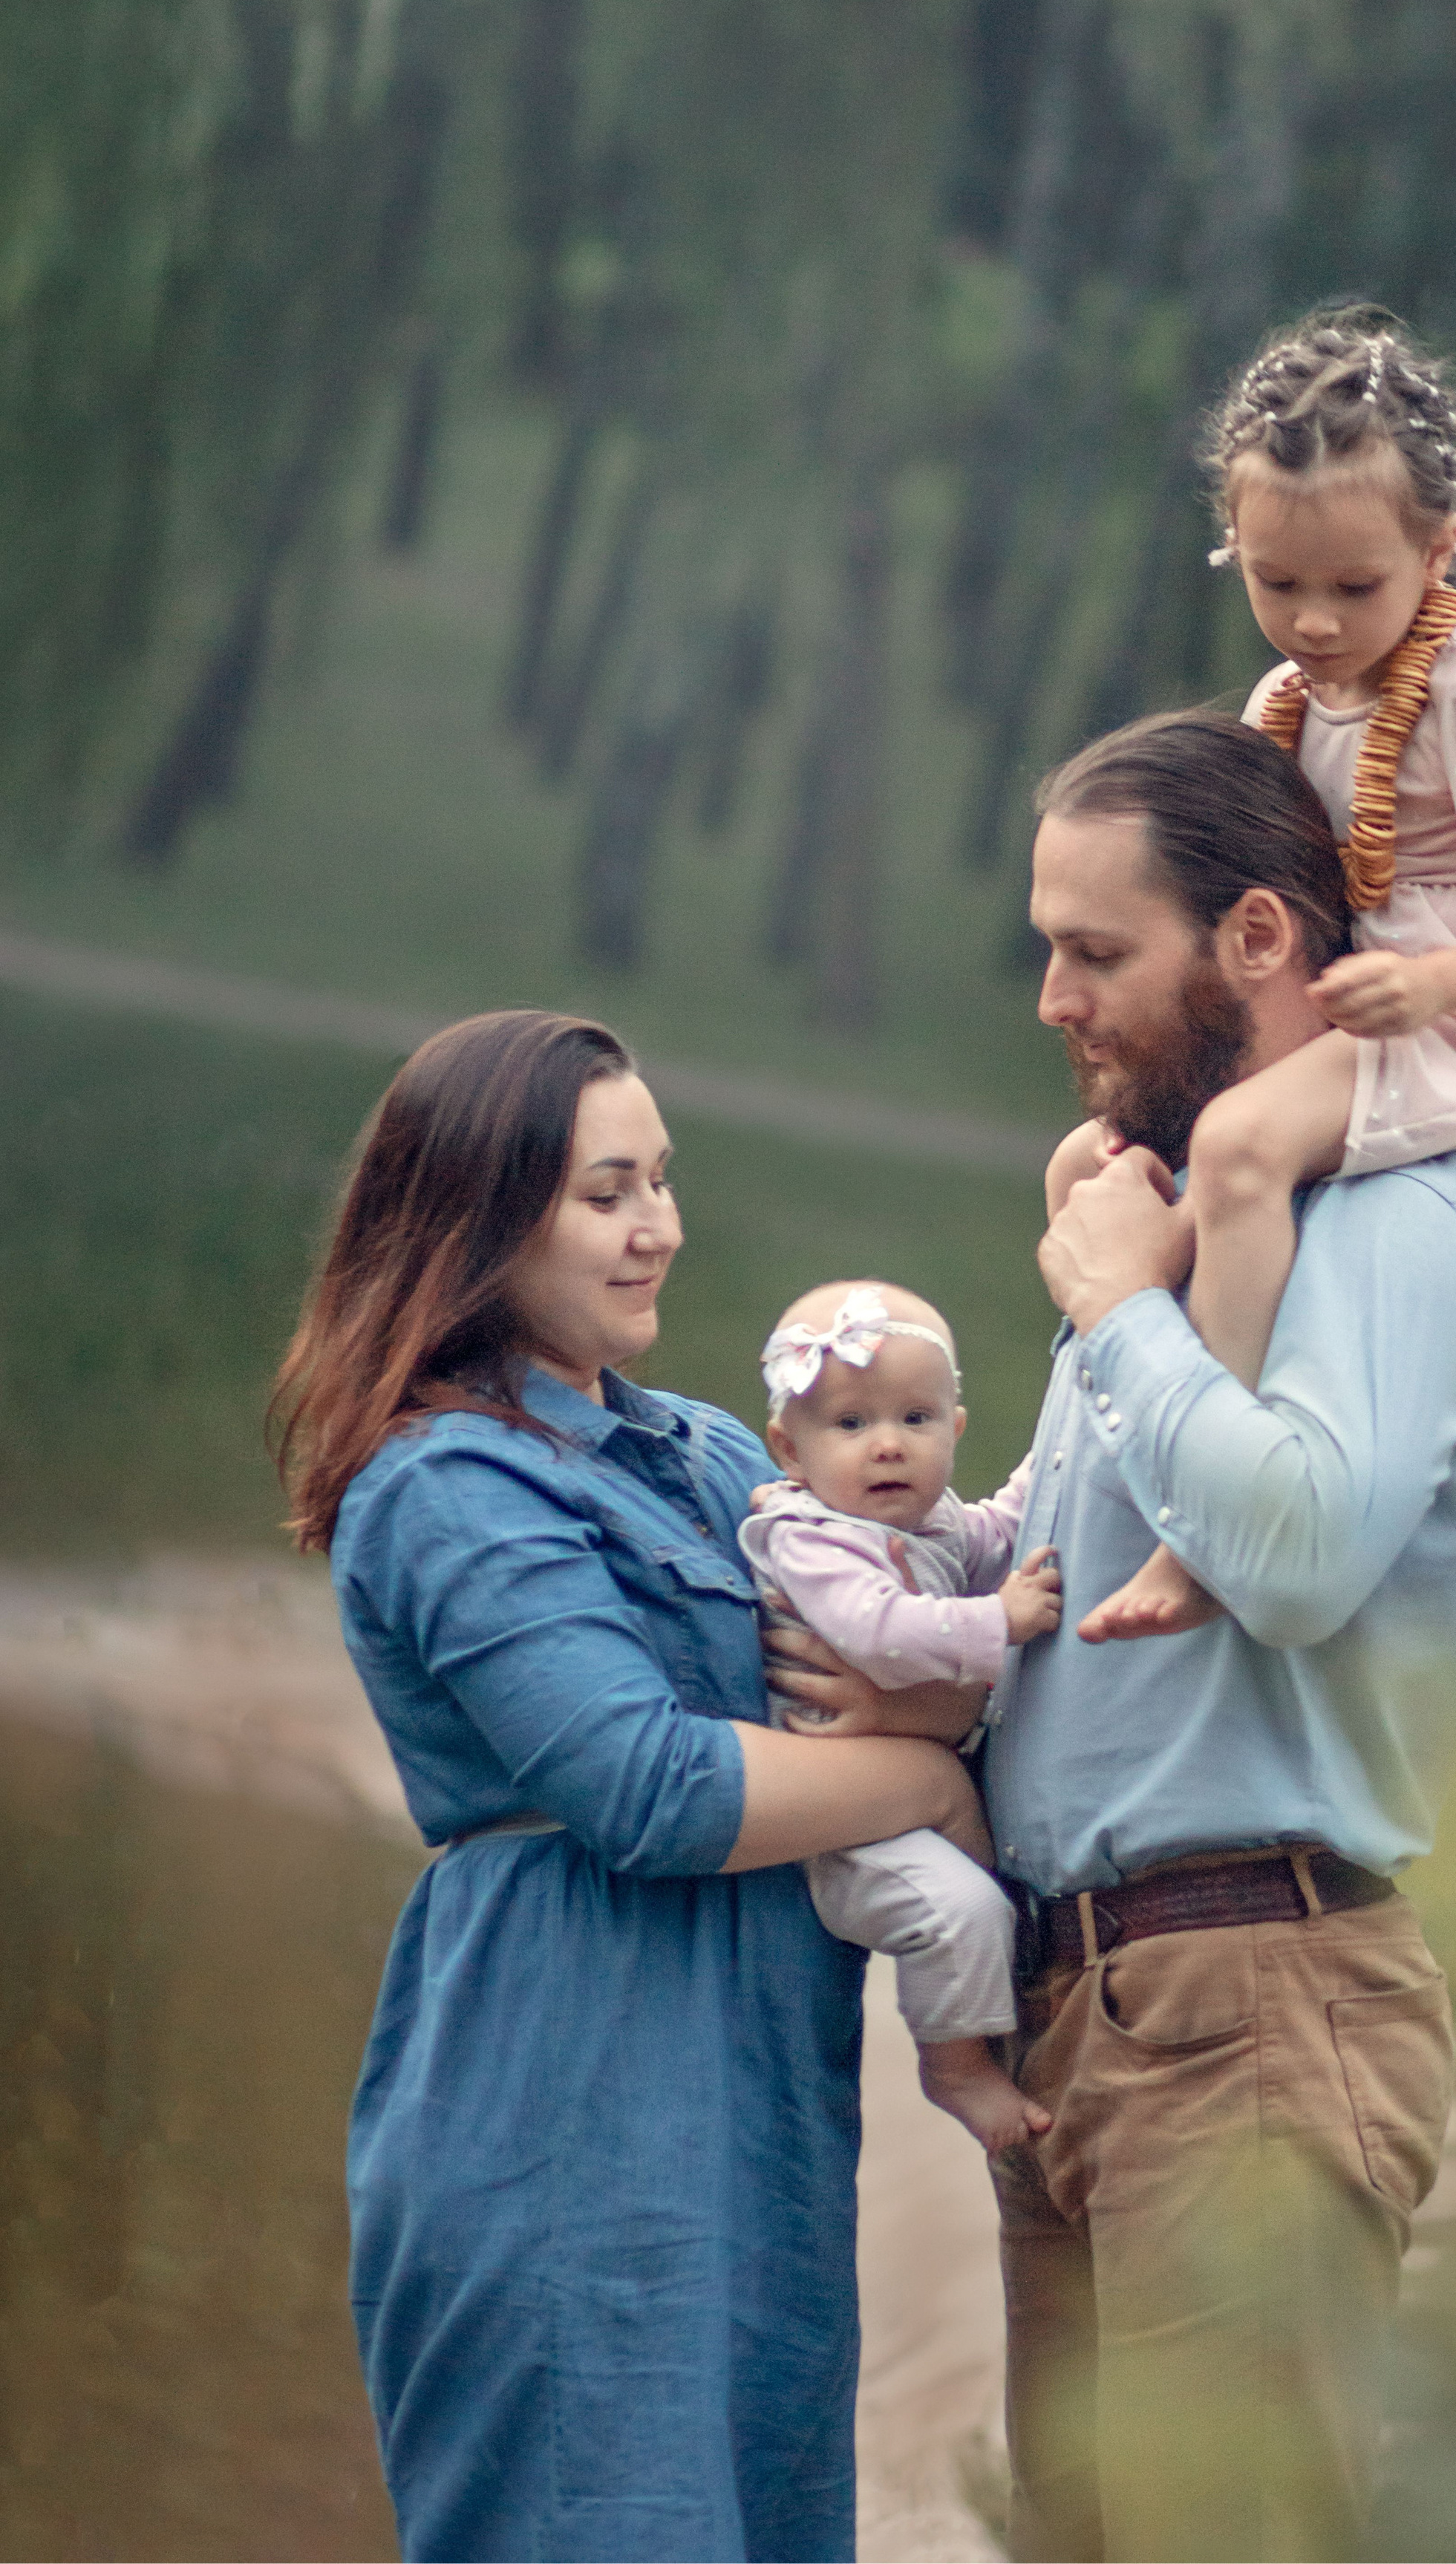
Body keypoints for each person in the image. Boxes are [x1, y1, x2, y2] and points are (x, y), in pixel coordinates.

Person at [768, 711, 1456, 2562]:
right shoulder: (1175, 1223)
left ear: (1253, 938)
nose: (1051, 999)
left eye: (1093, 951)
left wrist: (1116, 1315)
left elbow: (1293, 1556)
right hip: (1084, 2013)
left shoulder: (1390, 1226)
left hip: (1249, 2007)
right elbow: (1074, 1582)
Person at [270, 1010, 990, 2564]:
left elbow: (904, 1625)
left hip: (764, 2118)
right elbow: (649, 1789)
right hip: (564, 2106)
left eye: (660, 1181)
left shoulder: (718, 1456)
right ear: (480, 1217)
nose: (656, 1226)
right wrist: (926, 1779)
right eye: (607, 1193)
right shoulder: (443, 1482)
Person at [1048, 304, 1456, 1637]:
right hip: (1348, 1005)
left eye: (1354, 588)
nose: (1311, 620)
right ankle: (1077, 1467)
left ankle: (1201, 1520)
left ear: (1441, 546)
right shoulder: (1288, 705)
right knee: (1091, 1165)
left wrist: (1439, 987)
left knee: (1240, 1146)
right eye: (1275, 582)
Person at [740, 1279, 1062, 2153]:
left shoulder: (931, 1521)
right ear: (790, 1449)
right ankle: (955, 2069)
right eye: (850, 1424)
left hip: (904, 1789)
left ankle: (999, 2025)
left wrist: (1056, 1460)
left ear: (953, 1429)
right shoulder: (810, 1537)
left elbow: (998, 1531)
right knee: (961, 1913)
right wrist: (998, 1621)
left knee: (997, 1908)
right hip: (842, 1820)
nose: (888, 1445)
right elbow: (876, 1634)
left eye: (915, 1419)